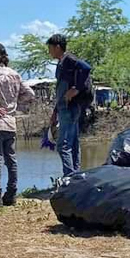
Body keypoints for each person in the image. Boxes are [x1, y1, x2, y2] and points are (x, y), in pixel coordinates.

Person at [0, 43, 35, 207]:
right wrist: (15, 104)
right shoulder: (15, 74)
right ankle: (11, 194)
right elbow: (30, 93)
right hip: (10, 123)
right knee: (11, 160)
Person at [47, 34, 92, 177]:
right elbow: (60, 89)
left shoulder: (69, 59)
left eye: (50, 48)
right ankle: (75, 176)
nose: (49, 51)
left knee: (63, 145)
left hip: (70, 107)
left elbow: (86, 67)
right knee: (73, 144)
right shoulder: (61, 63)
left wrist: (76, 89)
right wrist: (55, 112)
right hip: (63, 107)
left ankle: (69, 177)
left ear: (58, 47)